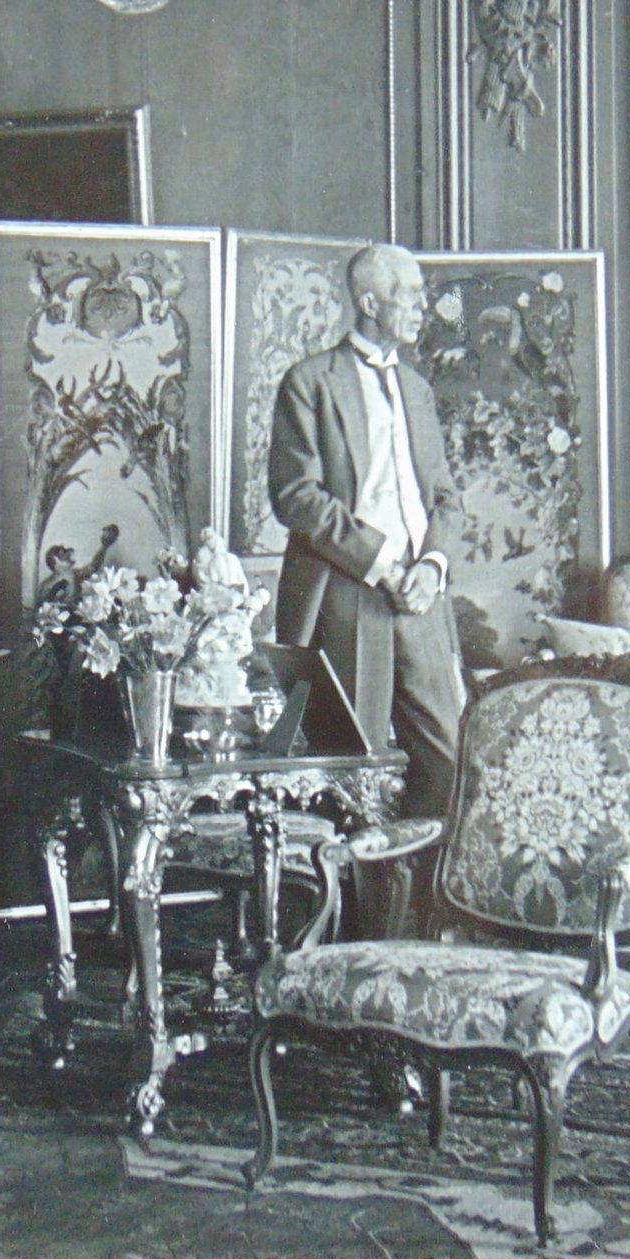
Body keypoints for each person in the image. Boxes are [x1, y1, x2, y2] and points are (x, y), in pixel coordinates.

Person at [268, 243, 467, 826]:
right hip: (348, 594)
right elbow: (296, 498)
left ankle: (420, 910)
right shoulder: (310, 382)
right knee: (351, 769)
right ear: (370, 302)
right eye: (411, 295)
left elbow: (447, 499)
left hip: (422, 599)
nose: (423, 307)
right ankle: (361, 916)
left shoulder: (418, 390)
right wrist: (384, 564)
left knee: (445, 758)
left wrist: (430, 567)